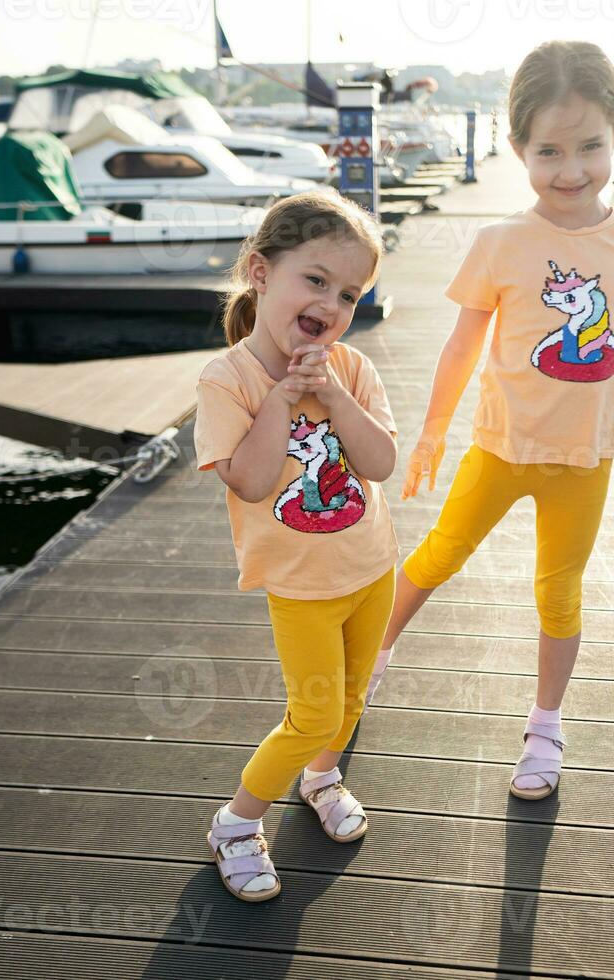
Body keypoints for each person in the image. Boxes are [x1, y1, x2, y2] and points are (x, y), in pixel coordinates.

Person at [367, 40, 614, 802]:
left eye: (590, 146)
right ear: (516, 146)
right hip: (500, 446)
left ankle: (546, 725)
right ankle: (372, 658)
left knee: (559, 592)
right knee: (437, 557)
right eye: (548, 150)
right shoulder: (499, 243)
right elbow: (460, 349)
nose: (571, 169)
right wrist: (430, 435)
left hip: (585, 462)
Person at [193, 189, 397, 902]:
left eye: (348, 293)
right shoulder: (230, 380)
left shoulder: (351, 371)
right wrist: (282, 399)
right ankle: (236, 824)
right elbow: (248, 482)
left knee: (351, 696)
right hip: (302, 586)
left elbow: (380, 463)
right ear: (260, 272)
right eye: (315, 280)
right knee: (312, 711)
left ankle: (321, 775)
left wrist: (334, 398)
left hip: (372, 567)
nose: (331, 305)